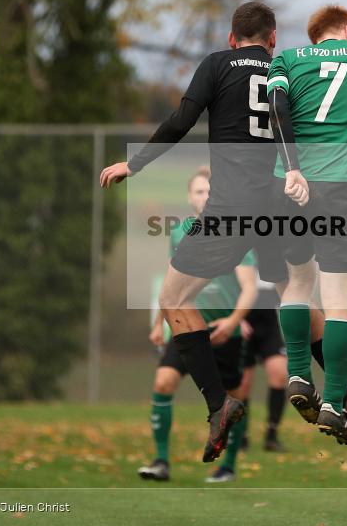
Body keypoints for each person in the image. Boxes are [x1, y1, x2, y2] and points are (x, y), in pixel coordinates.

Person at [101, 2, 287, 462]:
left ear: (231, 39)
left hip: (229, 210)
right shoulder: (287, 68)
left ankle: (218, 405)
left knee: (173, 299)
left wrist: (134, 163)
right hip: (280, 203)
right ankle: (345, 396)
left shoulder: (217, 65)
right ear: (273, 39)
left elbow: (181, 122)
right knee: (300, 293)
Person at [266, 5, 347, 449]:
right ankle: (333, 401)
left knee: (298, 284)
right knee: (337, 304)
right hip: (340, 189)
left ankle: (298, 374)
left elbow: (279, 108)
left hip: (291, 185)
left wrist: (293, 168)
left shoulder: (289, 60)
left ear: (315, 37)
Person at [138, 166, 257, 483]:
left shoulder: (234, 229)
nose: (205, 196)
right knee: (163, 382)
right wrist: (157, 324)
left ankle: (227, 466)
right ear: (190, 197)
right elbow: (170, 285)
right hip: (187, 329)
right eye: (199, 191)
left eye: (210, 191)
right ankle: (161, 461)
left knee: (234, 396)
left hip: (222, 330)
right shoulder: (179, 232)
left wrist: (234, 321)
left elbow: (249, 287)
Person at [236, 282, 289, 452]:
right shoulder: (239, 259)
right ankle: (241, 436)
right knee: (242, 385)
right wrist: (236, 318)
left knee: (280, 375)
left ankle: (272, 436)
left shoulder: (273, 258)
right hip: (243, 323)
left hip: (269, 327)